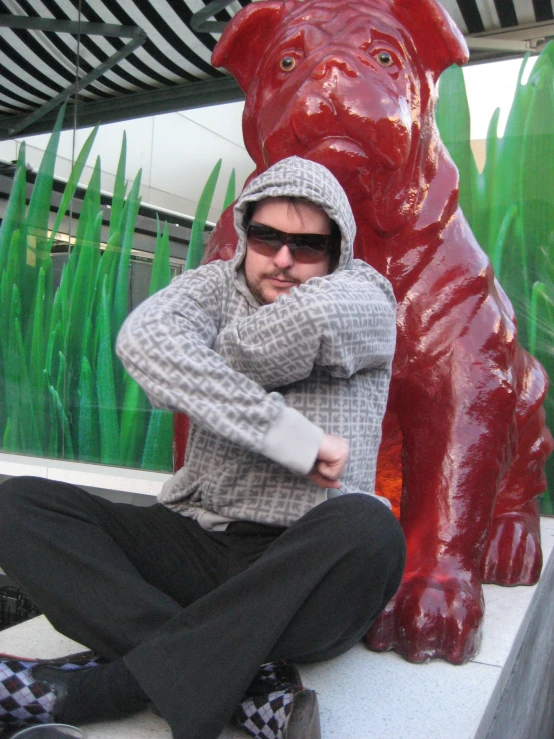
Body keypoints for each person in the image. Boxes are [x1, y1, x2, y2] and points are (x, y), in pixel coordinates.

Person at [0, 157, 405, 739]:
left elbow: (311, 318)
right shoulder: (214, 284)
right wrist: (286, 435)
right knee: (19, 508)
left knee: (370, 526)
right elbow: (145, 340)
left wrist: (209, 353)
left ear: (337, 249)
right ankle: (250, 686)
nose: (284, 259)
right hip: (200, 541)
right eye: (267, 237)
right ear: (246, 234)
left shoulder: (366, 294)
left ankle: (98, 690)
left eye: (308, 245)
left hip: (301, 570)